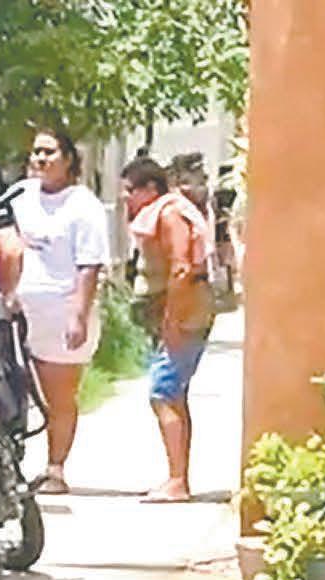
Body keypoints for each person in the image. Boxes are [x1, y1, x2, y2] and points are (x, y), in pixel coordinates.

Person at [10, 128, 111, 494]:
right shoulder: (21, 196)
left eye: (49, 152)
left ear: (68, 159)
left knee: (58, 399)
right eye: (36, 151)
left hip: (61, 311)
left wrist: (78, 315)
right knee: (14, 394)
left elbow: (90, 264)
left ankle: (55, 469)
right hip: (20, 312)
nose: (40, 159)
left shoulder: (83, 206)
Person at [122, 156, 216, 503]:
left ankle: (177, 481)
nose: (127, 198)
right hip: (180, 313)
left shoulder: (169, 214)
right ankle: (177, 477)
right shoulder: (161, 213)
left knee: (163, 392)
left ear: (150, 189)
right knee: (174, 394)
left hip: (185, 314)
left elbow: (181, 268)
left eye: (131, 190)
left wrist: (173, 320)